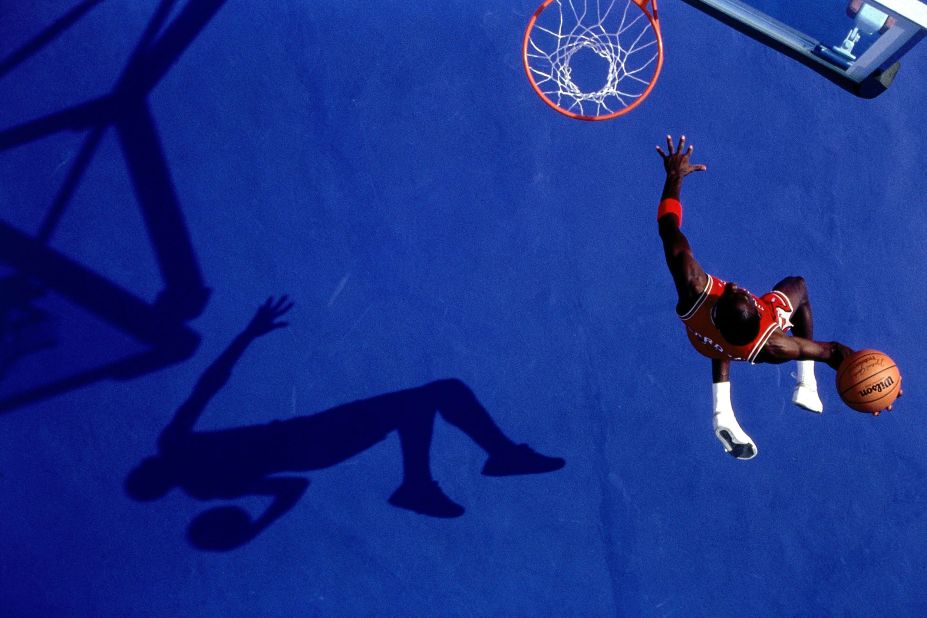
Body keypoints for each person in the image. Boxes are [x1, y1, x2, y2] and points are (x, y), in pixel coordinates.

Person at [654, 135, 864, 460]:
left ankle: (721, 412)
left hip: (702, 338)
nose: (736, 285)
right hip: (736, 344)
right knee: (799, 287)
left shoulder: (694, 287)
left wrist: (674, 176)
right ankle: (805, 384)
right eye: (742, 295)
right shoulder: (775, 344)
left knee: (719, 342)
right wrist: (866, 373)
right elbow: (832, 352)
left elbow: (669, 228)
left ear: (717, 306)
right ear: (755, 306)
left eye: (733, 292)